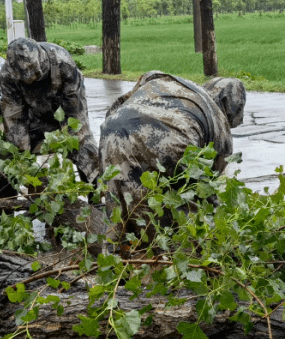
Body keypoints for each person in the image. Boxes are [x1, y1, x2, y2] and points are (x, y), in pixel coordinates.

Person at [99, 72, 246, 235]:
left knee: (118, 212)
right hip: (169, 141)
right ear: (232, 110)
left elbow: (120, 104)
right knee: (186, 217)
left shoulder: (176, 84)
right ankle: (171, 253)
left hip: (112, 130)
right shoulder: (219, 120)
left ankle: (116, 252)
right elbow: (206, 188)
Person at [0, 37, 99, 187]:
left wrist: (69, 136)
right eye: (25, 78)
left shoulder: (62, 63)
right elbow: (14, 119)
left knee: (83, 146)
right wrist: (23, 162)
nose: (30, 80)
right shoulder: (8, 76)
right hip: (34, 113)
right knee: (10, 153)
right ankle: (6, 204)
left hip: (64, 107)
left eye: (34, 75)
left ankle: (95, 196)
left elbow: (74, 112)